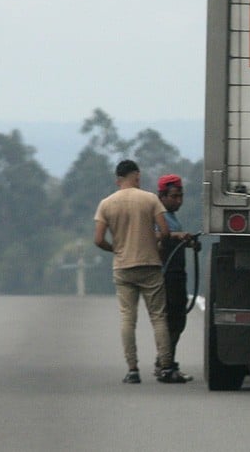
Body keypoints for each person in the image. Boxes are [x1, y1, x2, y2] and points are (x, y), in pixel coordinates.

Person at [93, 159, 188, 384]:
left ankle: (133, 370)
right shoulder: (149, 199)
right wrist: (156, 244)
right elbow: (165, 232)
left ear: (118, 179)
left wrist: (116, 249)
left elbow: (98, 240)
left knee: (128, 318)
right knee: (158, 317)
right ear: (136, 176)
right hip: (150, 265)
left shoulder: (106, 204)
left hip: (123, 266)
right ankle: (166, 366)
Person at [157, 173, 199, 382]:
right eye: (174, 196)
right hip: (167, 275)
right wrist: (176, 236)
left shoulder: (173, 217)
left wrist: (190, 243)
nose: (179, 201)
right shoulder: (159, 215)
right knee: (172, 321)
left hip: (178, 275)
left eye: (181, 196)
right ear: (162, 196)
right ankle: (165, 364)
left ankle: (166, 360)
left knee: (178, 320)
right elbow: (155, 236)